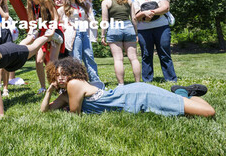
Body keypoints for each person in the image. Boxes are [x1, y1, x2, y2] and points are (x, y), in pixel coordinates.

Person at [41, 58, 215, 117]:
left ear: (72, 73)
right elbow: (44, 111)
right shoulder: (65, 94)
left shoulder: (74, 85)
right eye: (57, 75)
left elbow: (75, 114)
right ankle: (182, 93)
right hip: (132, 97)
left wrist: (64, 104)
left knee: (208, 112)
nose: (61, 77)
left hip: (138, 95)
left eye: (64, 73)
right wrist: (49, 92)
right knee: (190, 112)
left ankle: (184, 93)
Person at [133, 0, 177, 82]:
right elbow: (136, 16)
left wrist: (151, 13)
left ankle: (171, 79)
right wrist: (144, 13)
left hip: (161, 28)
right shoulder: (137, 0)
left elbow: (165, 7)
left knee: (164, 53)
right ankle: (147, 79)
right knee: (146, 55)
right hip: (144, 31)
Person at [22, 0, 64, 94]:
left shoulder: (46, 0)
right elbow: (32, 21)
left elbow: (55, 16)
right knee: (39, 60)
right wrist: (30, 33)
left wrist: (52, 29)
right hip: (42, 31)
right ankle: (43, 87)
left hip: (54, 30)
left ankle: (56, 86)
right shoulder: (30, 4)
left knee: (53, 61)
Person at [101, 0, 141, 85]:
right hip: (128, 27)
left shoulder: (106, 2)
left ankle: (121, 85)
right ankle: (138, 83)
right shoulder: (128, 0)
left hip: (114, 28)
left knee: (118, 59)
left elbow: (104, 21)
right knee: (133, 58)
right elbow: (134, 18)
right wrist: (136, 33)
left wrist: (102, 35)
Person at [58, 0, 101, 83]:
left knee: (89, 56)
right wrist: (65, 25)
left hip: (84, 31)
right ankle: (78, 81)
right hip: (74, 33)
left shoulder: (82, 2)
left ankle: (95, 81)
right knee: (76, 58)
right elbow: (58, 21)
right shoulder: (63, 8)